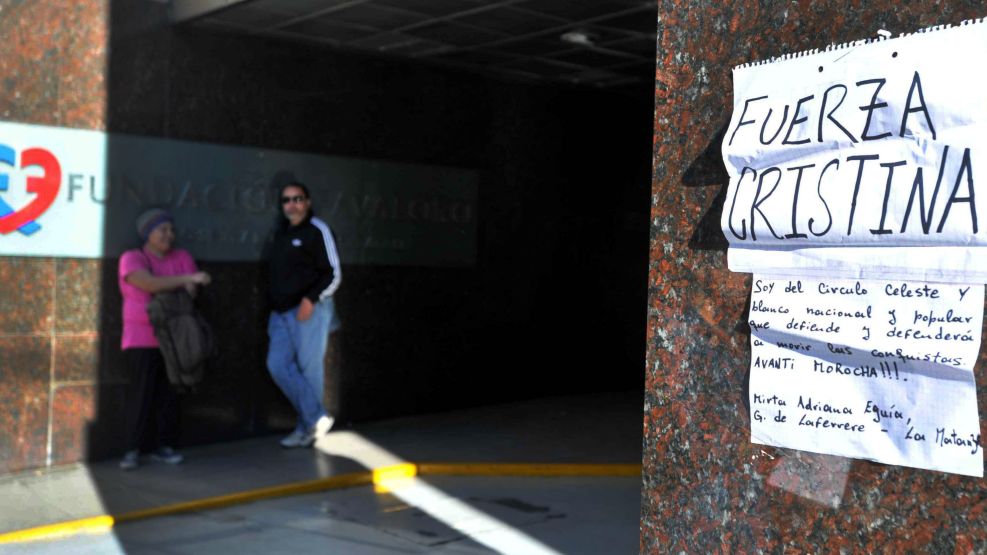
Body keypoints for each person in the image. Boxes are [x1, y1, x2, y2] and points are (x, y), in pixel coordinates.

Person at [118, 208, 211, 470]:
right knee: (141, 393)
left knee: (169, 394)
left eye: (171, 230)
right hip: (141, 338)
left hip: (175, 339)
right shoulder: (132, 258)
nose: (169, 235)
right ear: (148, 234)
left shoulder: (182, 257)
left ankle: (164, 446)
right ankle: (132, 449)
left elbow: (191, 293)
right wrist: (186, 279)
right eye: (163, 230)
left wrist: (188, 282)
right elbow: (148, 284)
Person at [267, 182, 341, 448]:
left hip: (310, 311)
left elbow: (333, 273)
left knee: (310, 371)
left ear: (307, 202)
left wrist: (310, 300)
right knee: (277, 365)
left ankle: (306, 428)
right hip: (280, 315)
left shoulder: (317, 230)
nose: (292, 204)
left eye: (298, 199)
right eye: (287, 200)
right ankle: (315, 417)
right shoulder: (281, 234)